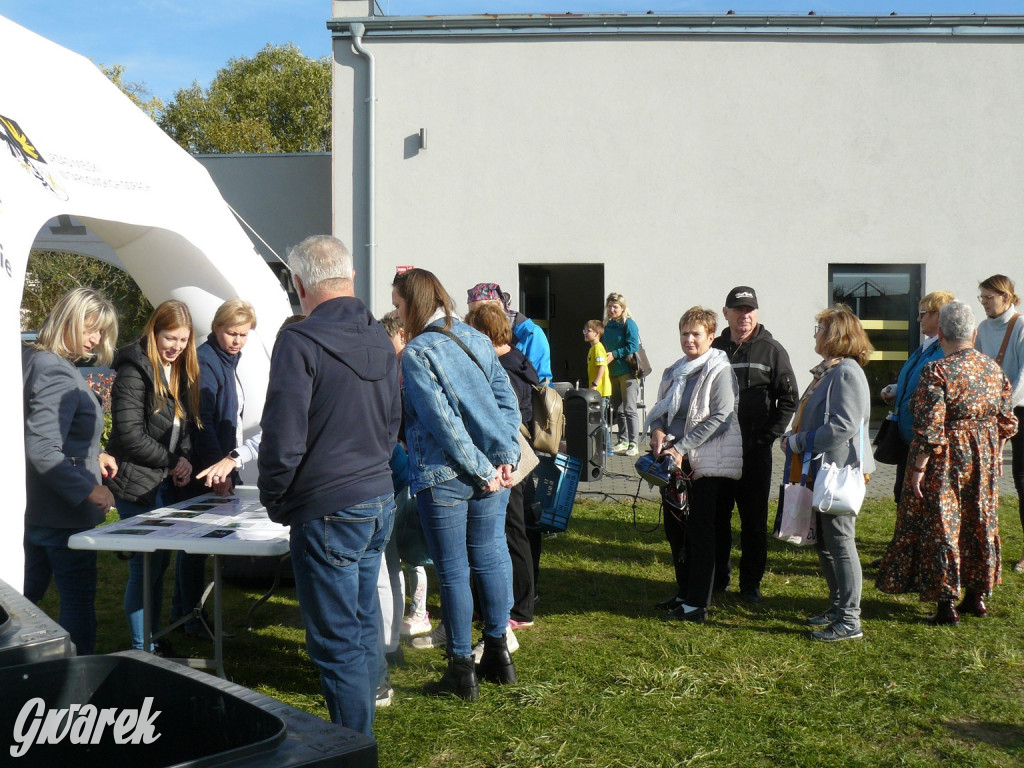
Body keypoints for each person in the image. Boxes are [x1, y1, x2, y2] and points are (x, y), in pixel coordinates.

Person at [258, 235, 400, 736]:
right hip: (373, 495)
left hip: (333, 504)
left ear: (298, 284)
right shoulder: (380, 337)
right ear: (351, 278)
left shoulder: (299, 341)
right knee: (359, 619)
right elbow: (392, 422)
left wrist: (275, 497)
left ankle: (352, 747)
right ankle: (365, 716)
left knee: (337, 639)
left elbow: (282, 437)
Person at [394, 268, 521, 701]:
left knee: (454, 569)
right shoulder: (477, 337)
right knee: (490, 557)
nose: (397, 312)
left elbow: (443, 423)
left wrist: (491, 465)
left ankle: (463, 667)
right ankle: (499, 652)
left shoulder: (417, 352)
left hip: (445, 475)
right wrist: (504, 459)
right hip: (488, 470)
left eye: (398, 304)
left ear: (414, 304)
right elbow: (507, 402)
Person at [877, 301, 1017, 624]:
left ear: (939, 333)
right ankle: (976, 596)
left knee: (944, 523)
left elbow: (929, 428)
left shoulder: (937, 371)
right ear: (975, 333)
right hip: (984, 457)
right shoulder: (993, 370)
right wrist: (989, 447)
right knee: (978, 519)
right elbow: (1008, 421)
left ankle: (946, 604)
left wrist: (917, 469)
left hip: (946, 457)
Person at [22, 287, 118, 656]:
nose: (96, 340)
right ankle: (79, 683)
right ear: (67, 320)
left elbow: (49, 436)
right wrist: (88, 490)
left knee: (22, 598)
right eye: (91, 329)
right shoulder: (55, 371)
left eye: (101, 333)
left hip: (40, 507)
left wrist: (96, 455)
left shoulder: (32, 359)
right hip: (62, 513)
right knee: (76, 603)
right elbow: (43, 448)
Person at [105, 299, 200, 652]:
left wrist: (185, 457)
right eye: (169, 337)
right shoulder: (134, 370)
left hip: (160, 483)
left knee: (157, 565)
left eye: (182, 340)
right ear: (154, 331)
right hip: (134, 484)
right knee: (145, 569)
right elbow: (130, 435)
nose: (175, 346)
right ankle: (142, 649)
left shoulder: (176, 370)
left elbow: (183, 424)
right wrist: (174, 461)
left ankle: (152, 642)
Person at [783, 304, 875, 642]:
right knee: (825, 542)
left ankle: (850, 620)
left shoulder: (846, 372)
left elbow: (844, 426)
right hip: (822, 470)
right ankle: (838, 608)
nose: (814, 335)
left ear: (835, 335)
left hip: (838, 471)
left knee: (840, 541)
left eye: (819, 329)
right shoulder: (831, 370)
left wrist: (800, 441)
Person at [648, 307, 743, 624]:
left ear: (711, 336)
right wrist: (658, 433)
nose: (689, 339)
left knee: (701, 532)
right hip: (674, 462)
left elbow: (722, 417)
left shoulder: (719, 370)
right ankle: (684, 592)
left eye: (696, 334)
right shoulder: (673, 371)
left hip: (708, 463)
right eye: (684, 333)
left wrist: (681, 447)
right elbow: (660, 411)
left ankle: (697, 604)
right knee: (676, 531)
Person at [175, 299, 260, 639]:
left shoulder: (226, 360)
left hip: (220, 463)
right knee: (194, 548)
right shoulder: (208, 361)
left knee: (197, 548)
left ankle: (186, 615)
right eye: (231, 332)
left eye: (243, 334)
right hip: (206, 470)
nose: (237, 340)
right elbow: (202, 422)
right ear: (216, 328)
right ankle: (190, 618)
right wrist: (218, 471)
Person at [711, 286, 797, 603]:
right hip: (717, 452)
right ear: (726, 313)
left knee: (753, 523)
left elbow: (788, 400)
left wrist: (765, 438)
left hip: (754, 454)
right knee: (718, 519)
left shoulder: (772, 350)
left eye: (750, 310)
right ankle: (719, 577)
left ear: (756, 313)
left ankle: (750, 584)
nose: (744, 316)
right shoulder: (714, 348)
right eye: (738, 310)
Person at [467, 301, 541, 629]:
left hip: (511, 459)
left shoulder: (505, 367)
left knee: (512, 532)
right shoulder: (517, 359)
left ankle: (521, 610)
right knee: (511, 531)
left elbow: (503, 420)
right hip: (516, 455)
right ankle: (494, 604)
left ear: (485, 333)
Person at [879, 291, 956, 503]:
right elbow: (917, 381)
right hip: (909, 435)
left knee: (917, 495)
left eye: (923, 314)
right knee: (902, 493)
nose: (918, 319)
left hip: (924, 438)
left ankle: (912, 537)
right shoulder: (927, 347)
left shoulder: (943, 350)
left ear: (939, 315)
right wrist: (896, 389)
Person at [974, 274, 1024, 572]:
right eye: (981, 298)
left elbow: (1022, 377)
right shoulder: (981, 328)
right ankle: (982, 543)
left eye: (988, 298)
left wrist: (1003, 408)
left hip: (1019, 411)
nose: (984, 303)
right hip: (990, 412)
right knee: (984, 479)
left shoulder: (1020, 327)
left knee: (1022, 479)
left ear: (1006, 297)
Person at [466, 282, 552, 381]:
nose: (475, 318)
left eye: (481, 311)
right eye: (471, 312)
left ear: (498, 304)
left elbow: (542, 380)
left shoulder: (530, 333)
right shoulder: (471, 334)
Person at [604, 292, 642, 456]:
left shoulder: (629, 324)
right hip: (612, 373)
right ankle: (623, 440)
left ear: (623, 308)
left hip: (627, 371)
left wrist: (614, 354)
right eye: (610, 306)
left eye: (616, 307)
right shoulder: (607, 325)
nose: (613, 310)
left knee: (629, 408)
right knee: (618, 409)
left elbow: (633, 346)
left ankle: (634, 443)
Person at [583, 319, 612, 399]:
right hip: (597, 391)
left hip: (601, 391)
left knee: (600, 412)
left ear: (597, 333)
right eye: (584, 330)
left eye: (588, 331)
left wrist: (594, 384)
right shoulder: (592, 349)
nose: (585, 333)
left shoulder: (598, 348)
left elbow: (602, 366)